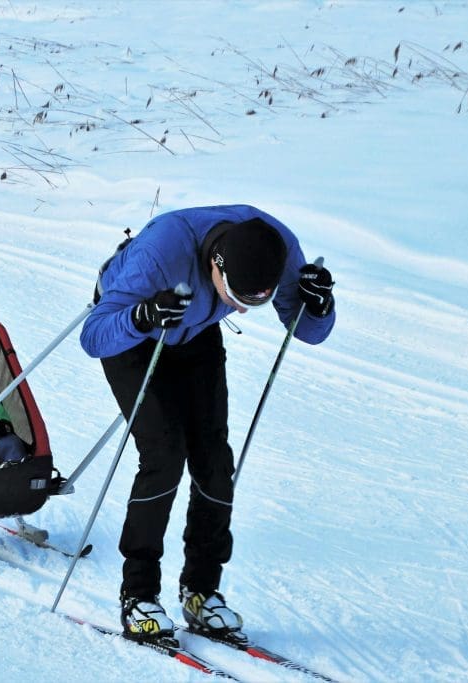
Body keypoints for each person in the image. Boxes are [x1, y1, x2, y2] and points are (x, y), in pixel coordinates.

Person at [80, 205, 335, 641]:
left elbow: (309, 331)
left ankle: (201, 591)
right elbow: (94, 335)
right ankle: (138, 595)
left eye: (256, 302)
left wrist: (320, 305)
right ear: (217, 266)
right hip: (136, 332)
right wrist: (141, 317)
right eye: (235, 298)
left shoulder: (278, 246)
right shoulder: (162, 251)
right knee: (164, 454)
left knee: (215, 461)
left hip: (194, 332)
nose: (242, 311)